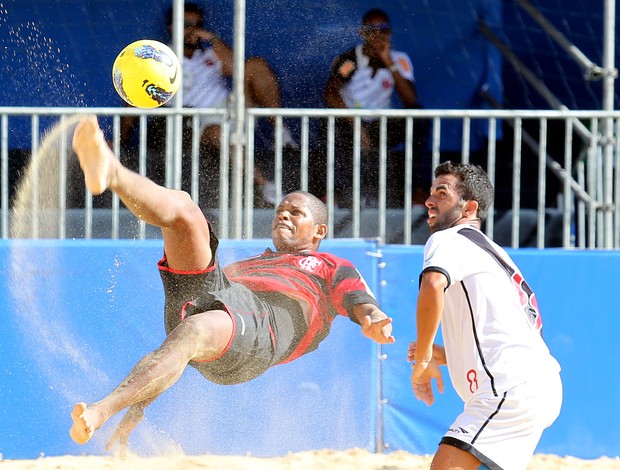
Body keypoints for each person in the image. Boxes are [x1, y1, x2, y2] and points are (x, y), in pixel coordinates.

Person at [69, 115, 395, 453]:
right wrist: (141, 401)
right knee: (183, 208)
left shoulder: (331, 265)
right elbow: (177, 349)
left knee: (198, 328)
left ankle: (102, 408)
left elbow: (361, 302)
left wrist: (371, 319)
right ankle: (111, 172)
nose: (283, 214)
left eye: (296, 213)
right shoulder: (249, 265)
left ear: (319, 232)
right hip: (219, 300)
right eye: (281, 210)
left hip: (262, 330)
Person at [408, 161, 562, 470]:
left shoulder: (449, 238)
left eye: (442, 193)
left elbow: (433, 284)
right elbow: (503, 331)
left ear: (469, 208)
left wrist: (423, 359)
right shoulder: (493, 252)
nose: (429, 200)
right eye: (430, 192)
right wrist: (449, 355)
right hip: (537, 385)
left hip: (507, 389)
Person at [121, 2, 297, 207]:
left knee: (255, 65)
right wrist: (119, 140)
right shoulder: (161, 59)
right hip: (193, 121)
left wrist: (212, 39)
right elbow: (134, 99)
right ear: (171, 27)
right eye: (186, 24)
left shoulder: (211, 53)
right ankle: (266, 186)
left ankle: (280, 131)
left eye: (197, 25)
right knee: (219, 132)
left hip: (231, 110)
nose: (192, 30)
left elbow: (240, 70)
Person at [323, 8, 430, 207]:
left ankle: (418, 190)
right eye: (371, 30)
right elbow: (330, 93)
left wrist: (388, 61)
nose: (377, 35)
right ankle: (334, 191)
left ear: (390, 33)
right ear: (362, 33)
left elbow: (410, 100)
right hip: (351, 123)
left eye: (383, 30)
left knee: (420, 118)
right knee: (326, 122)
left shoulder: (399, 60)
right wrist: (356, 125)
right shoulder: (350, 59)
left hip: (381, 124)